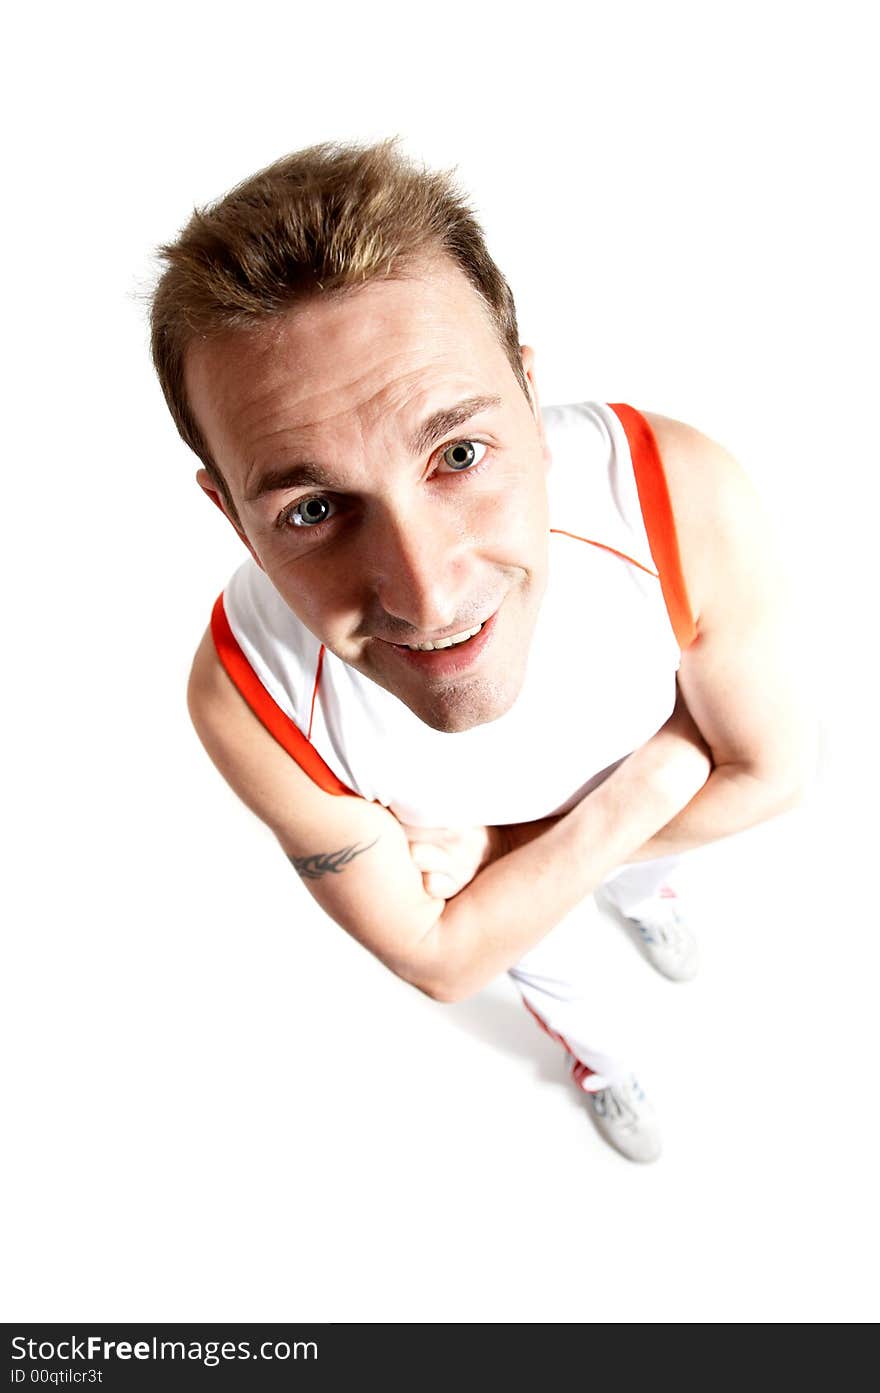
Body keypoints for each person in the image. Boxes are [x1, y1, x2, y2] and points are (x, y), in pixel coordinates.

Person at [149, 138, 817, 1162]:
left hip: (573, 848)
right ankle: (605, 1060)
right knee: (561, 977)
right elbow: (445, 964)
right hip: (642, 797)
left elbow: (772, 778)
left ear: (532, 403)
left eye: (457, 453)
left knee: (632, 884)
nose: (427, 592)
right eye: (315, 507)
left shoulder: (672, 494)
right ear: (234, 519)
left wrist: (500, 865)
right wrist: (676, 759)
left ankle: (644, 900)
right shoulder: (247, 697)